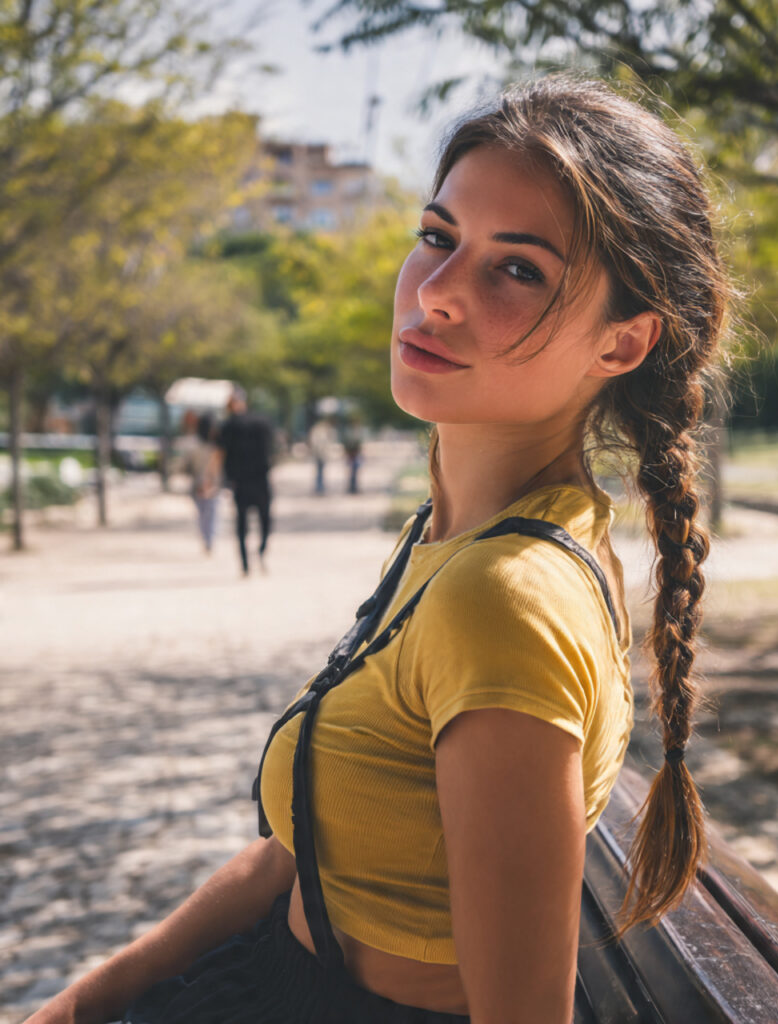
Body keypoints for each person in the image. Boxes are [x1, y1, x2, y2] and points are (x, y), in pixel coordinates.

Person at [25, 74, 728, 1024]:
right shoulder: (458, 537)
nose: (435, 294)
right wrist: (79, 1003)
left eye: (517, 270)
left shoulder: (503, 596)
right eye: (438, 237)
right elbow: (297, 855)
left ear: (623, 343)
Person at [212, 387, 274, 576]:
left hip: (241, 481)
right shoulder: (262, 422)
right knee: (264, 520)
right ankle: (260, 551)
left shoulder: (227, 426)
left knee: (242, 524)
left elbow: (219, 454)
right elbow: (272, 449)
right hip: (260, 479)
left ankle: (246, 563)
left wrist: (213, 477)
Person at [183, 413, 220, 554]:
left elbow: (187, 466)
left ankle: (206, 537)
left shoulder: (193, 445)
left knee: (202, 513)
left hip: (197, 484)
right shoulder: (216, 446)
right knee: (211, 513)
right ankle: (209, 539)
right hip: (213, 484)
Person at [308, 416, 337, 496]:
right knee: (320, 471)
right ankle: (319, 487)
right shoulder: (320, 432)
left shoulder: (319, 431)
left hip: (320, 454)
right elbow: (320, 443)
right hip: (319, 454)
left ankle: (320, 487)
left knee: (320, 471)